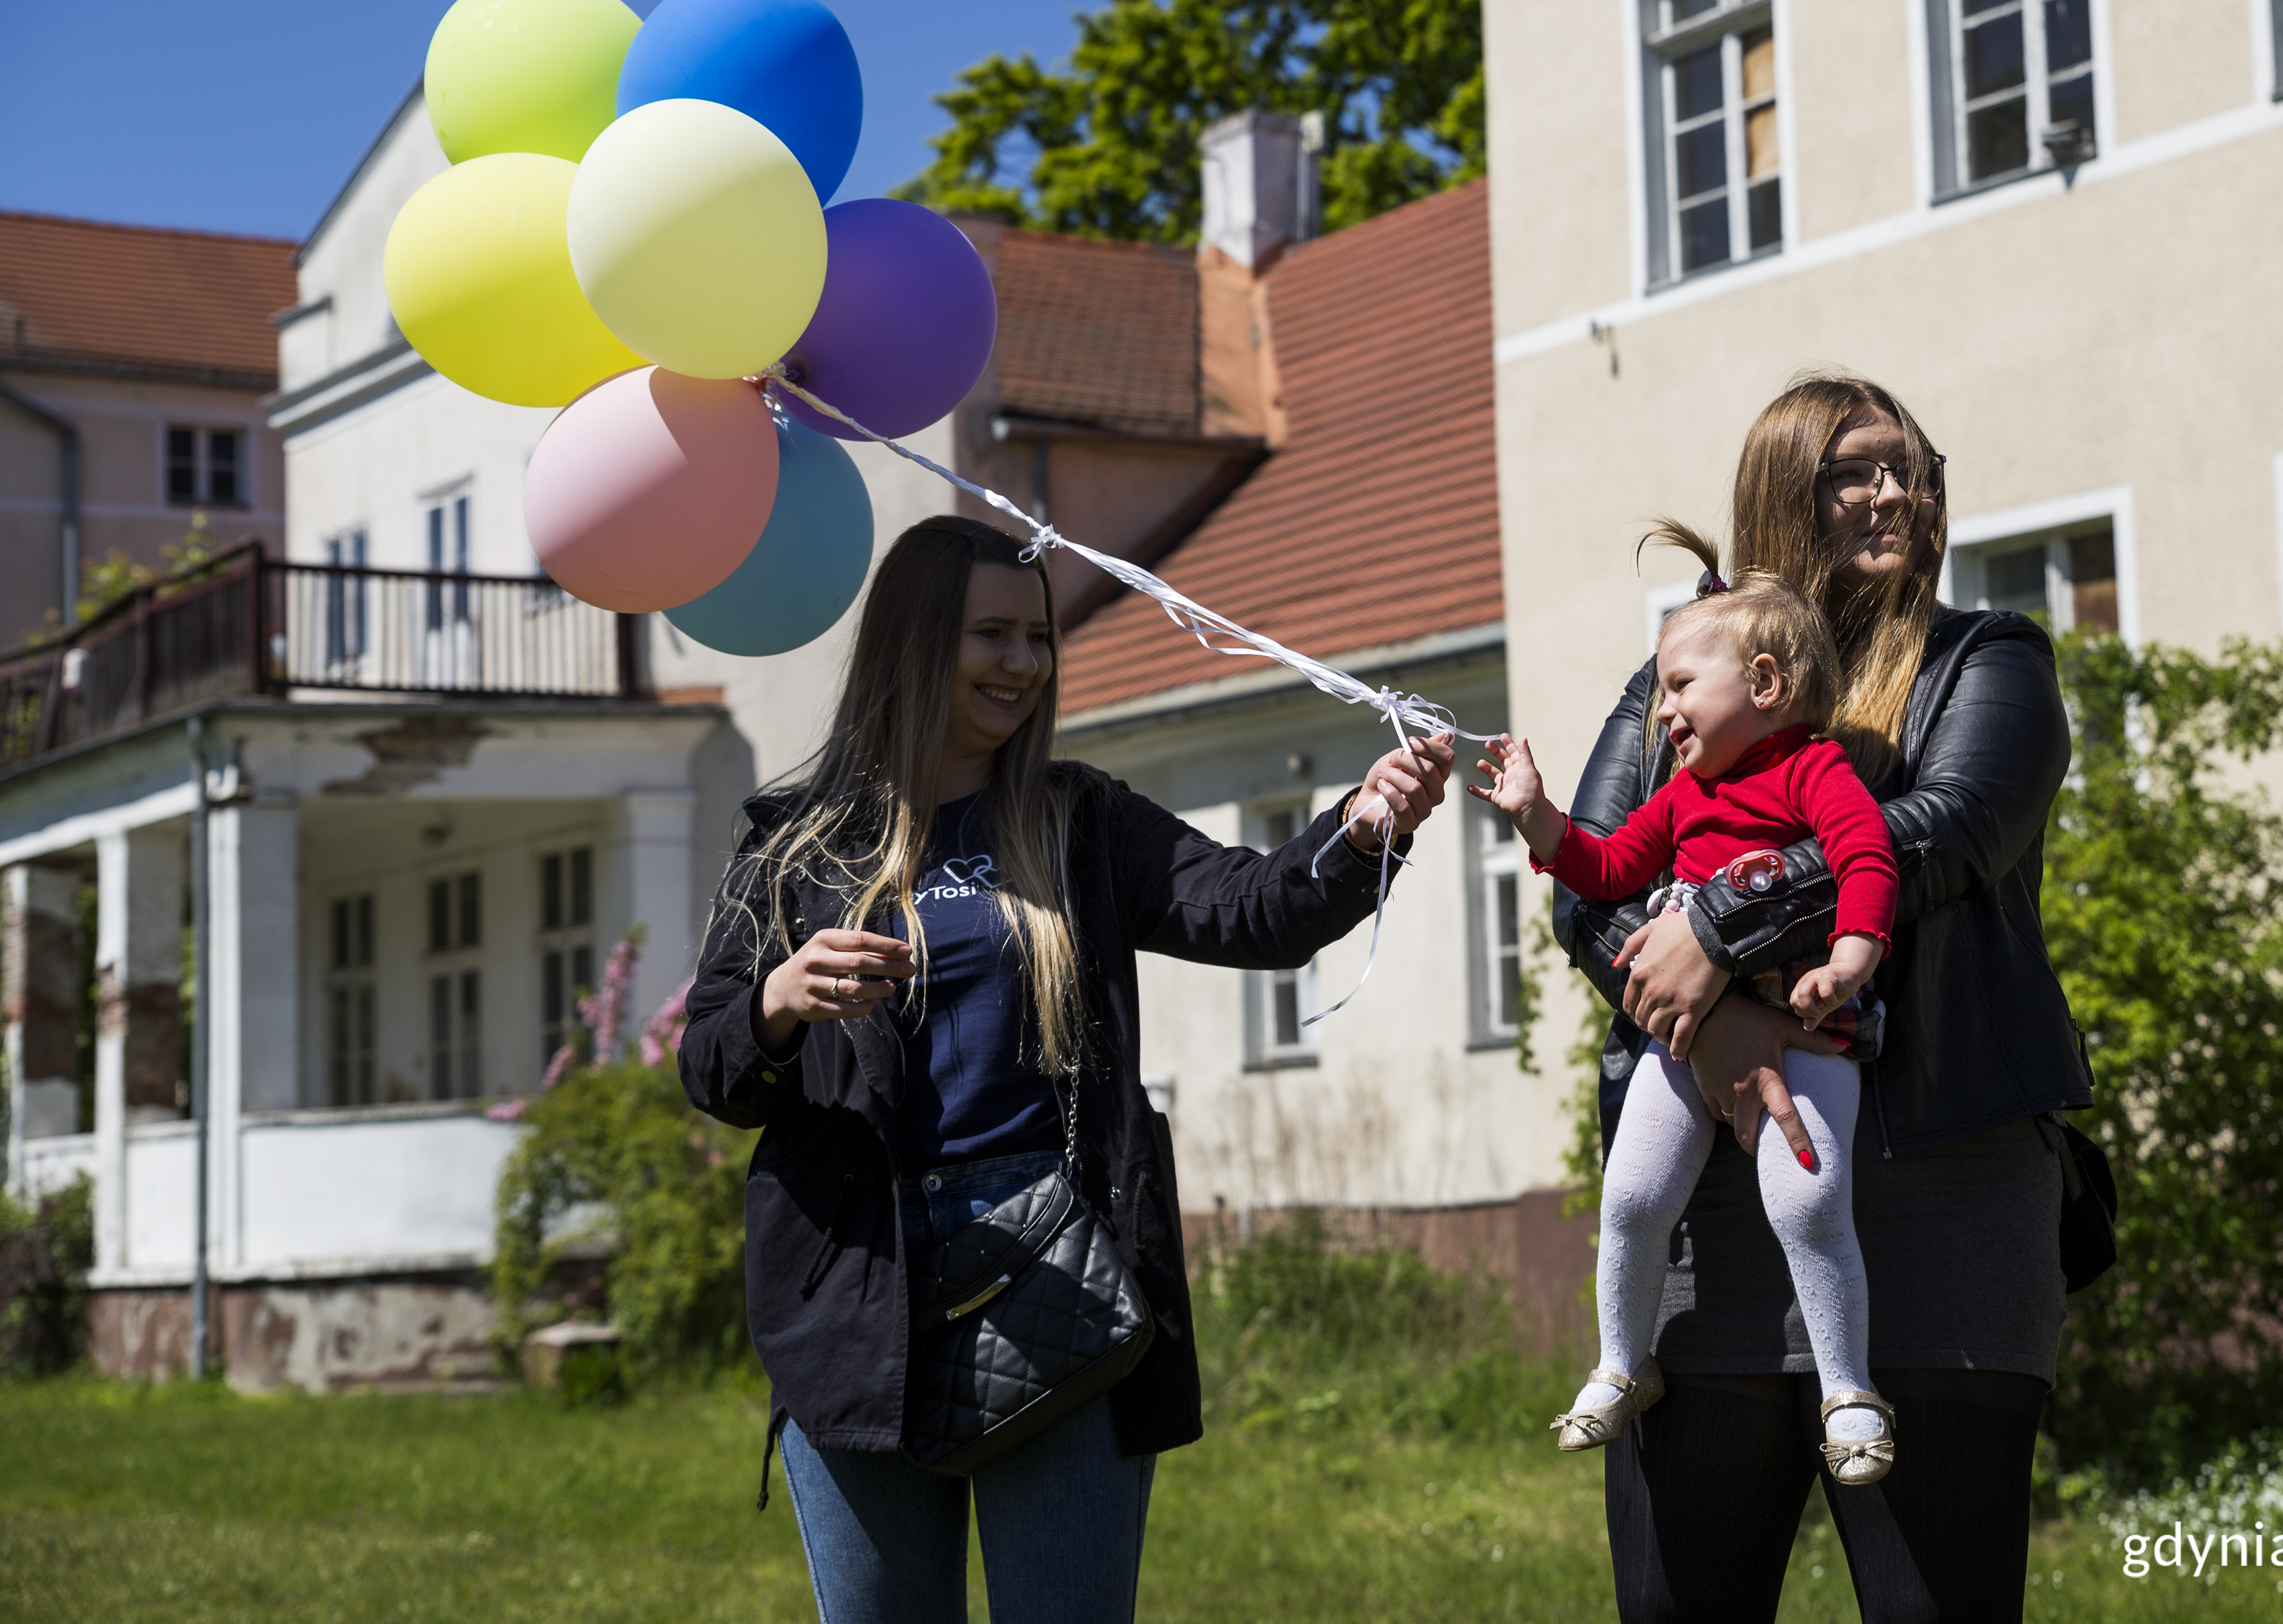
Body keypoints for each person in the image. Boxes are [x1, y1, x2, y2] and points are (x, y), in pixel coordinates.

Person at [677, 514, 1454, 1624]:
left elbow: (1253, 908)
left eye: (1036, 637)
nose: (1024, 663)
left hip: (1057, 1279)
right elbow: (711, 1068)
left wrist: (1365, 826)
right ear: (914, 644)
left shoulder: (1079, 818)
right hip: (854, 1299)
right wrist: (779, 1000)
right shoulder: (796, 845)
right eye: (991, 635)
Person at [1551, 375, 2090, 1622]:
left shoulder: (1987, 661)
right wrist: (1723, 1027)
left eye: (1912, 467)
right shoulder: (1673, 683)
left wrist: (1723, 921)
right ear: (1781, 495)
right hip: (1708, 1202)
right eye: (1854, 469)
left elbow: (1949, 829)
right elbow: (1590, 887)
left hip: (1939, 1203)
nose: (1895, 490)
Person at [1470, 551, 1898, 1484]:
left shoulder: (1813, 768)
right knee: (1629, 1198)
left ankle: (1849, 1391)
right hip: (1683, 1038)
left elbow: (1869, 854)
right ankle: (1623, 1362)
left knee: (1811, 1200)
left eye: (1679, 686)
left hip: (1804, 1017)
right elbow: (1609, 867)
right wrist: (1538, 816)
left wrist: (1855, 953)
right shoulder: (1682, 792)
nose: (1662, 710)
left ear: (1766, 682)